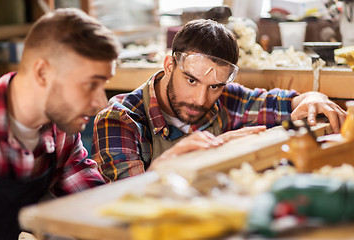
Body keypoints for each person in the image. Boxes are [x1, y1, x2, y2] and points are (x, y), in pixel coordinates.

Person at [92, 19, 347, 183]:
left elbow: (282, 103)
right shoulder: (119, 119)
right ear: (169, 65)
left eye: (214, 86)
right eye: (191, 81)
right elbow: (127, 200)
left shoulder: (223, 98)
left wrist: (311, 97)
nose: (200, 100)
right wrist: (218, 146)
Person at [0, 8, 121, 239]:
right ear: (42, 72)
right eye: (91, 84)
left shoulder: (61, 131)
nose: (101, 103)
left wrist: (154, 183)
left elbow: (95, 206)